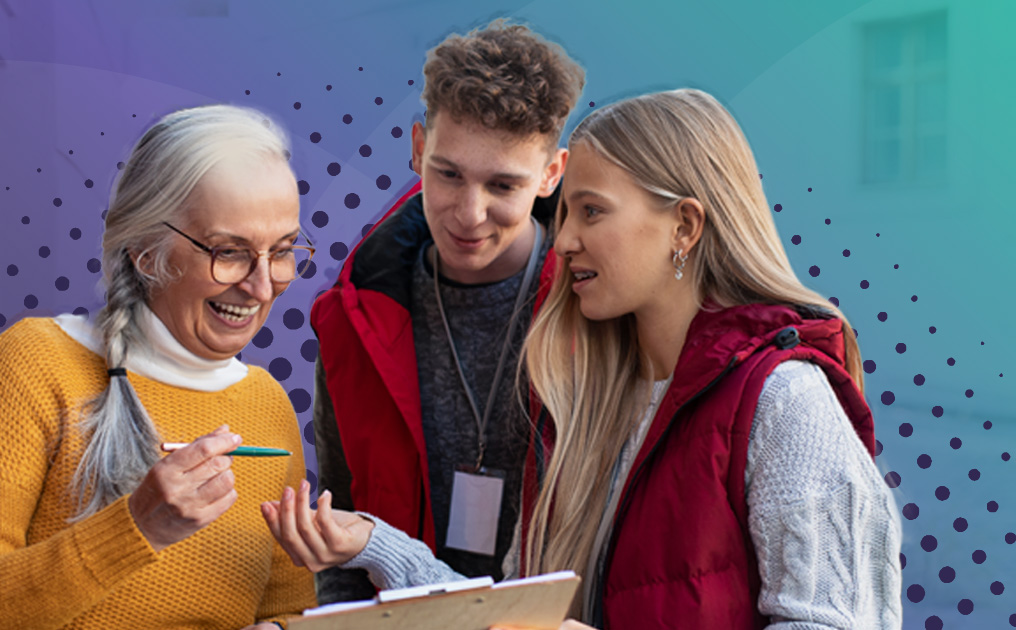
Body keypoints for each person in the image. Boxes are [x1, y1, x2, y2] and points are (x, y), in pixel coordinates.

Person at [263, 89, 902, 629]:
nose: (563, 241)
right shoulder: (582, 406)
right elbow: (522, 612)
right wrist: (375, 545)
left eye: (591, 211)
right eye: (565, 212)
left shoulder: (786, 402)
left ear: (684, 226)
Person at [0, 105, 317, 630]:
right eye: (229, 252)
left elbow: (287, 610)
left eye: (283, 251)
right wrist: (136, 528)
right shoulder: (35, 363)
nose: (263, 287)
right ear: (146, 253)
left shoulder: (268, 405)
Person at [304, 19, 585, 603]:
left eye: (503, 186)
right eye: (448, 174)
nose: (469, 213)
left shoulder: (596, 310)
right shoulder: (354, 318)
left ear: (551, 174)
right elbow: (344, 528)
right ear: (416, 149)